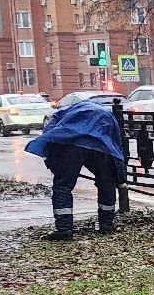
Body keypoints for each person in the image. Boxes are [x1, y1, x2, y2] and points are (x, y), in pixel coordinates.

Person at [24, 95, 126, 242]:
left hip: (70, 145)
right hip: (101, 146)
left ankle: (64, 230)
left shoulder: (65, 112)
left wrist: (54, 161)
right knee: (106, 182)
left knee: (63, 186)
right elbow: (117, 141)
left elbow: (50, 133)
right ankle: (107, 224)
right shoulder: (105, 113)